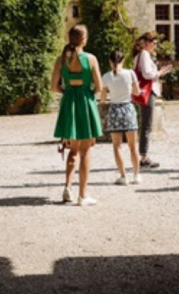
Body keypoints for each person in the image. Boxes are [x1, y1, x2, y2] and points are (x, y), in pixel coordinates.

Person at [51, 24, 103, 206]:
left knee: (72, 149)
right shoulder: (91, 59)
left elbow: (53, 86)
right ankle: (83, 195)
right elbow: (99, 86)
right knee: (86, 150)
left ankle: (68, 188)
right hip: (85, 102)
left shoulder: (61, 59)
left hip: (69, 102)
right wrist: (87, 90)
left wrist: (68, 90)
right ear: (84, 39)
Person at [100, 49, 142, 185]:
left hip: (115, 109)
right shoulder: (130, 73)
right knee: (133, 145)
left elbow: (102, 99)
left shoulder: (106, 77)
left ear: (110, 61)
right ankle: (136, 175)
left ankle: (123, 176)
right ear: (123, 60)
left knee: (117, 145)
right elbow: (137, 92)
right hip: (128, 108)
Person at [132, 32, 172, 169]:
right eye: (154, 42)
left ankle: (143, 155)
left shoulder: (139, 55)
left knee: (145, 124)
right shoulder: (144, 54)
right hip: (148, 92)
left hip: (145, 91)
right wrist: (160, 73)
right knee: (146, 125)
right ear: (147, 42)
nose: (155, 45)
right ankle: (143, 157)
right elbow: (147, 74)